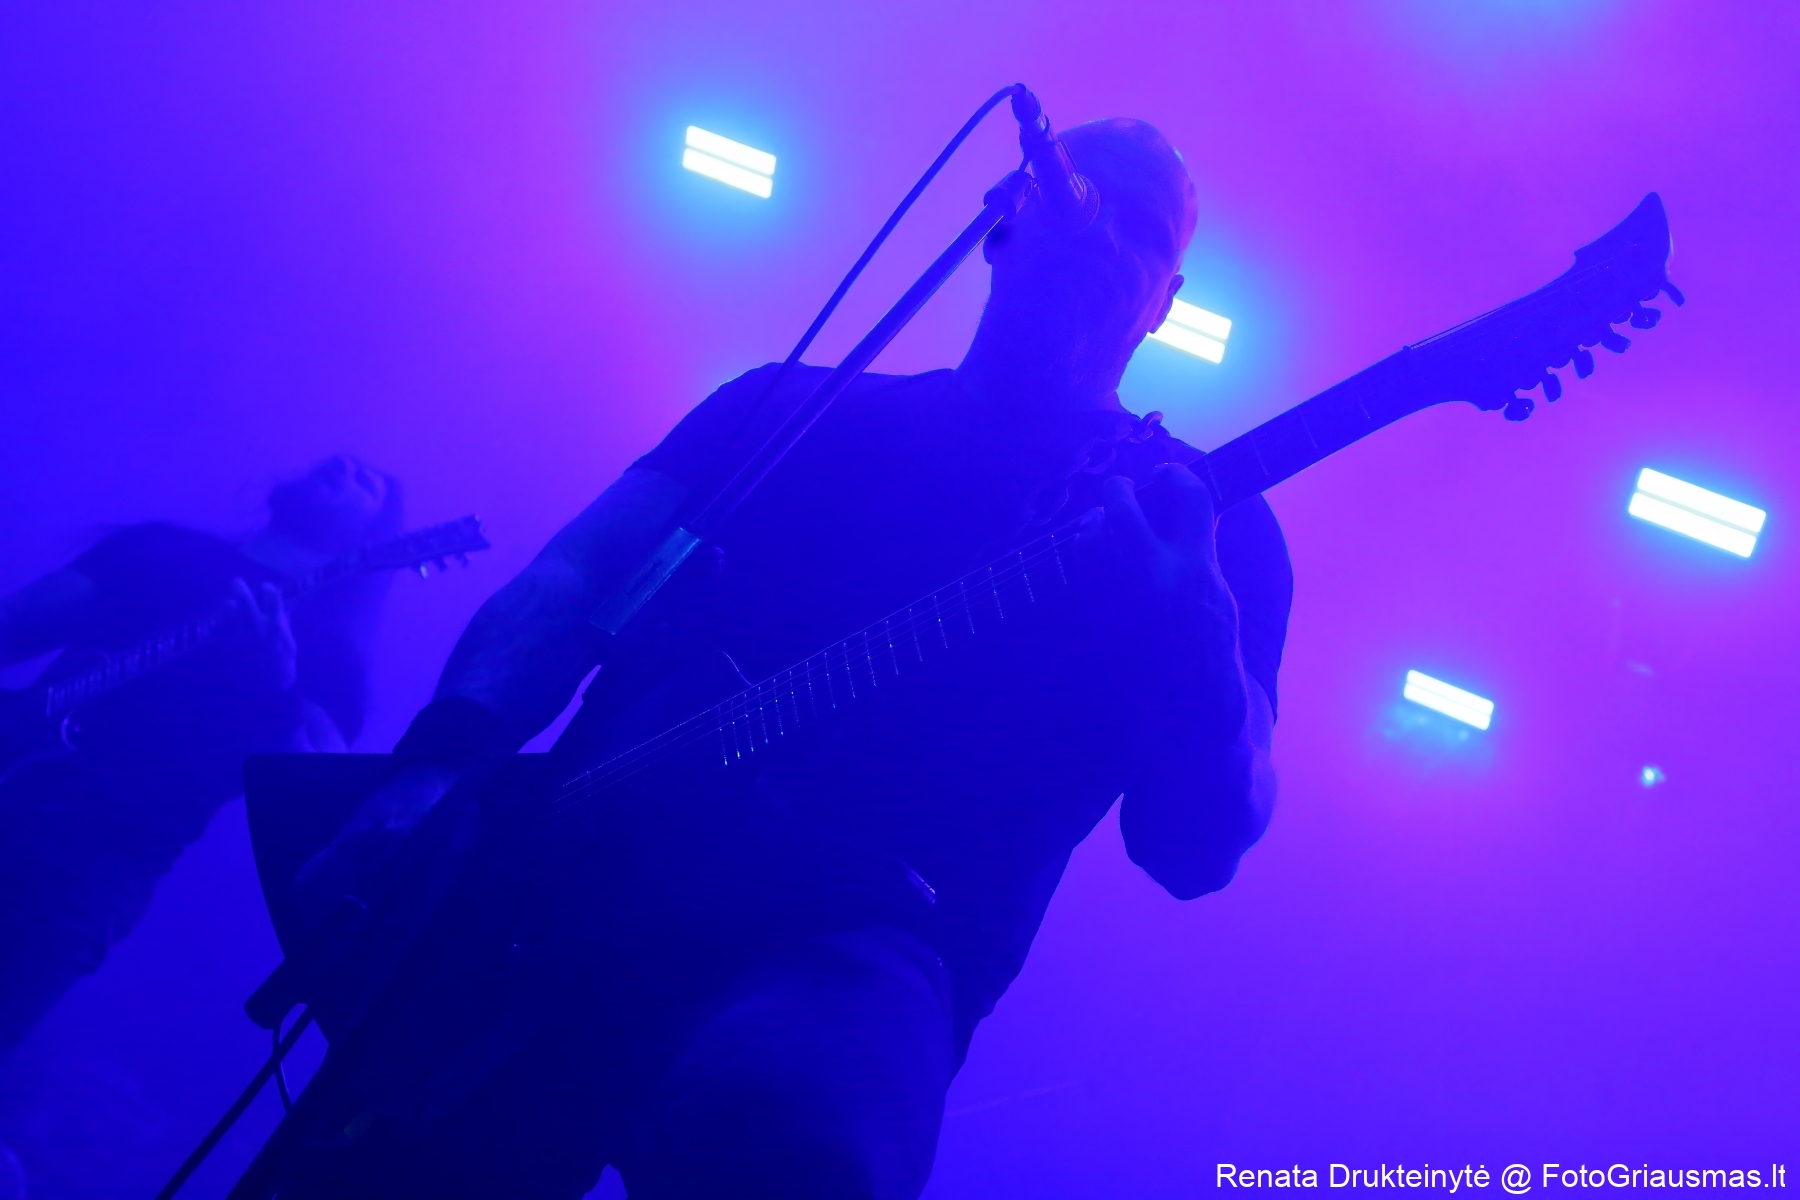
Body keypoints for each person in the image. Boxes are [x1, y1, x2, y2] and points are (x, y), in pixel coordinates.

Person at [286, 119, 1291, 1199]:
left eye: (1141, 228)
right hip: (572, 857)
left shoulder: (1205, 521)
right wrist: (435, 766)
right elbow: (574, 575)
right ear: (1005, 214)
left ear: (1167, 302)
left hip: (862, 935)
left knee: (795, 1145)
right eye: (1081, 195)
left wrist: (1196, 632)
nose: (1103, 236)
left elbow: (1198, 848)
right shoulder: (790, 405)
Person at [0, 455, 402, 1056]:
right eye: (341, 460)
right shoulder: (163, 549)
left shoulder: (330, 649)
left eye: (366, 482)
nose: (344, 466)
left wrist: (276, 686)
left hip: (96, 866)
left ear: (374, 540)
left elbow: (312, 778)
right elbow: (15, 624)